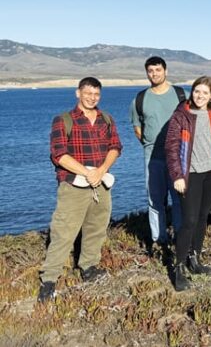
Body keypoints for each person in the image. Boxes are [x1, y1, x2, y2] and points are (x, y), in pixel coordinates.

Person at [38, 77, 122, 303]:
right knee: (63, 232)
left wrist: (101, 170)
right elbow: (58, 155)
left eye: (96, 94)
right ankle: (49, 279)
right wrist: (87, 172)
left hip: (101, 183)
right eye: (88, 93)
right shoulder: (63, 120)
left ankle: (88, 267)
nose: (92, 98)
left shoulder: (106, 119)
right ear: (78, 93)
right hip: (73, 185)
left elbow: (115, 147)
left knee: (97, 227)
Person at [165, 76, 211, 291]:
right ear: (192, 92)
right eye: (197, 91)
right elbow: (171, 148)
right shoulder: (181, 116)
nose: (200, 96)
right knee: (189, 220)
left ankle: (195, 259)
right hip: (190, 174)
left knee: (202, 218)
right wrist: (177, 176)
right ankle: (179, 267)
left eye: (205, 93)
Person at [129, 56, 186, 254]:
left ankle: (180, 237)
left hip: (177, 157)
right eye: (150, 71)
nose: (154, 74)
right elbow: (137, 127)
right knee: (155, 199)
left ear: (166, 71)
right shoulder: (140, 99)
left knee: (179, 198)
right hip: (152, 157)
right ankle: (158, 239)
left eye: (158, 70)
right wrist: (149, 143)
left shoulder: (180, 95)